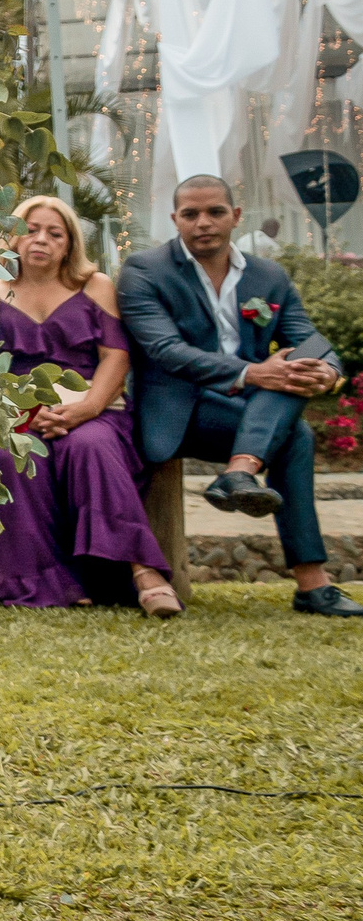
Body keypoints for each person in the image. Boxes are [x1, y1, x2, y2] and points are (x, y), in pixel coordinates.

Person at [117, 174, 363, 617]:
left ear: (235, 216)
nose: (203, 222)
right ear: (175, 219)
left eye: (215, 212)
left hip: (246, 409)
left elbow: (310, 340)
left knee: (296, 376)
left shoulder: (268, 275)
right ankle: (312, 583)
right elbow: (166, 351)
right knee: (295, 429)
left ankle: (239, 472)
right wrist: (254, 373)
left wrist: (326, 371)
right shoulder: (144, 270)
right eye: (191, 214)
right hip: (178, 410)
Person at [0, 195, 180, 615]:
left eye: (55, 234)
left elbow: (116, 357)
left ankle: (142, 570)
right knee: (10, 455)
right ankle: (43, 583)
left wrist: (87, 409)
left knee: (90, 446)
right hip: (18, 414)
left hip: (96, 409)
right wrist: (21, 412)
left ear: (70, 245)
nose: (41, 240)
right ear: (13, 237)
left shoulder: (95, 285)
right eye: (31, 230)